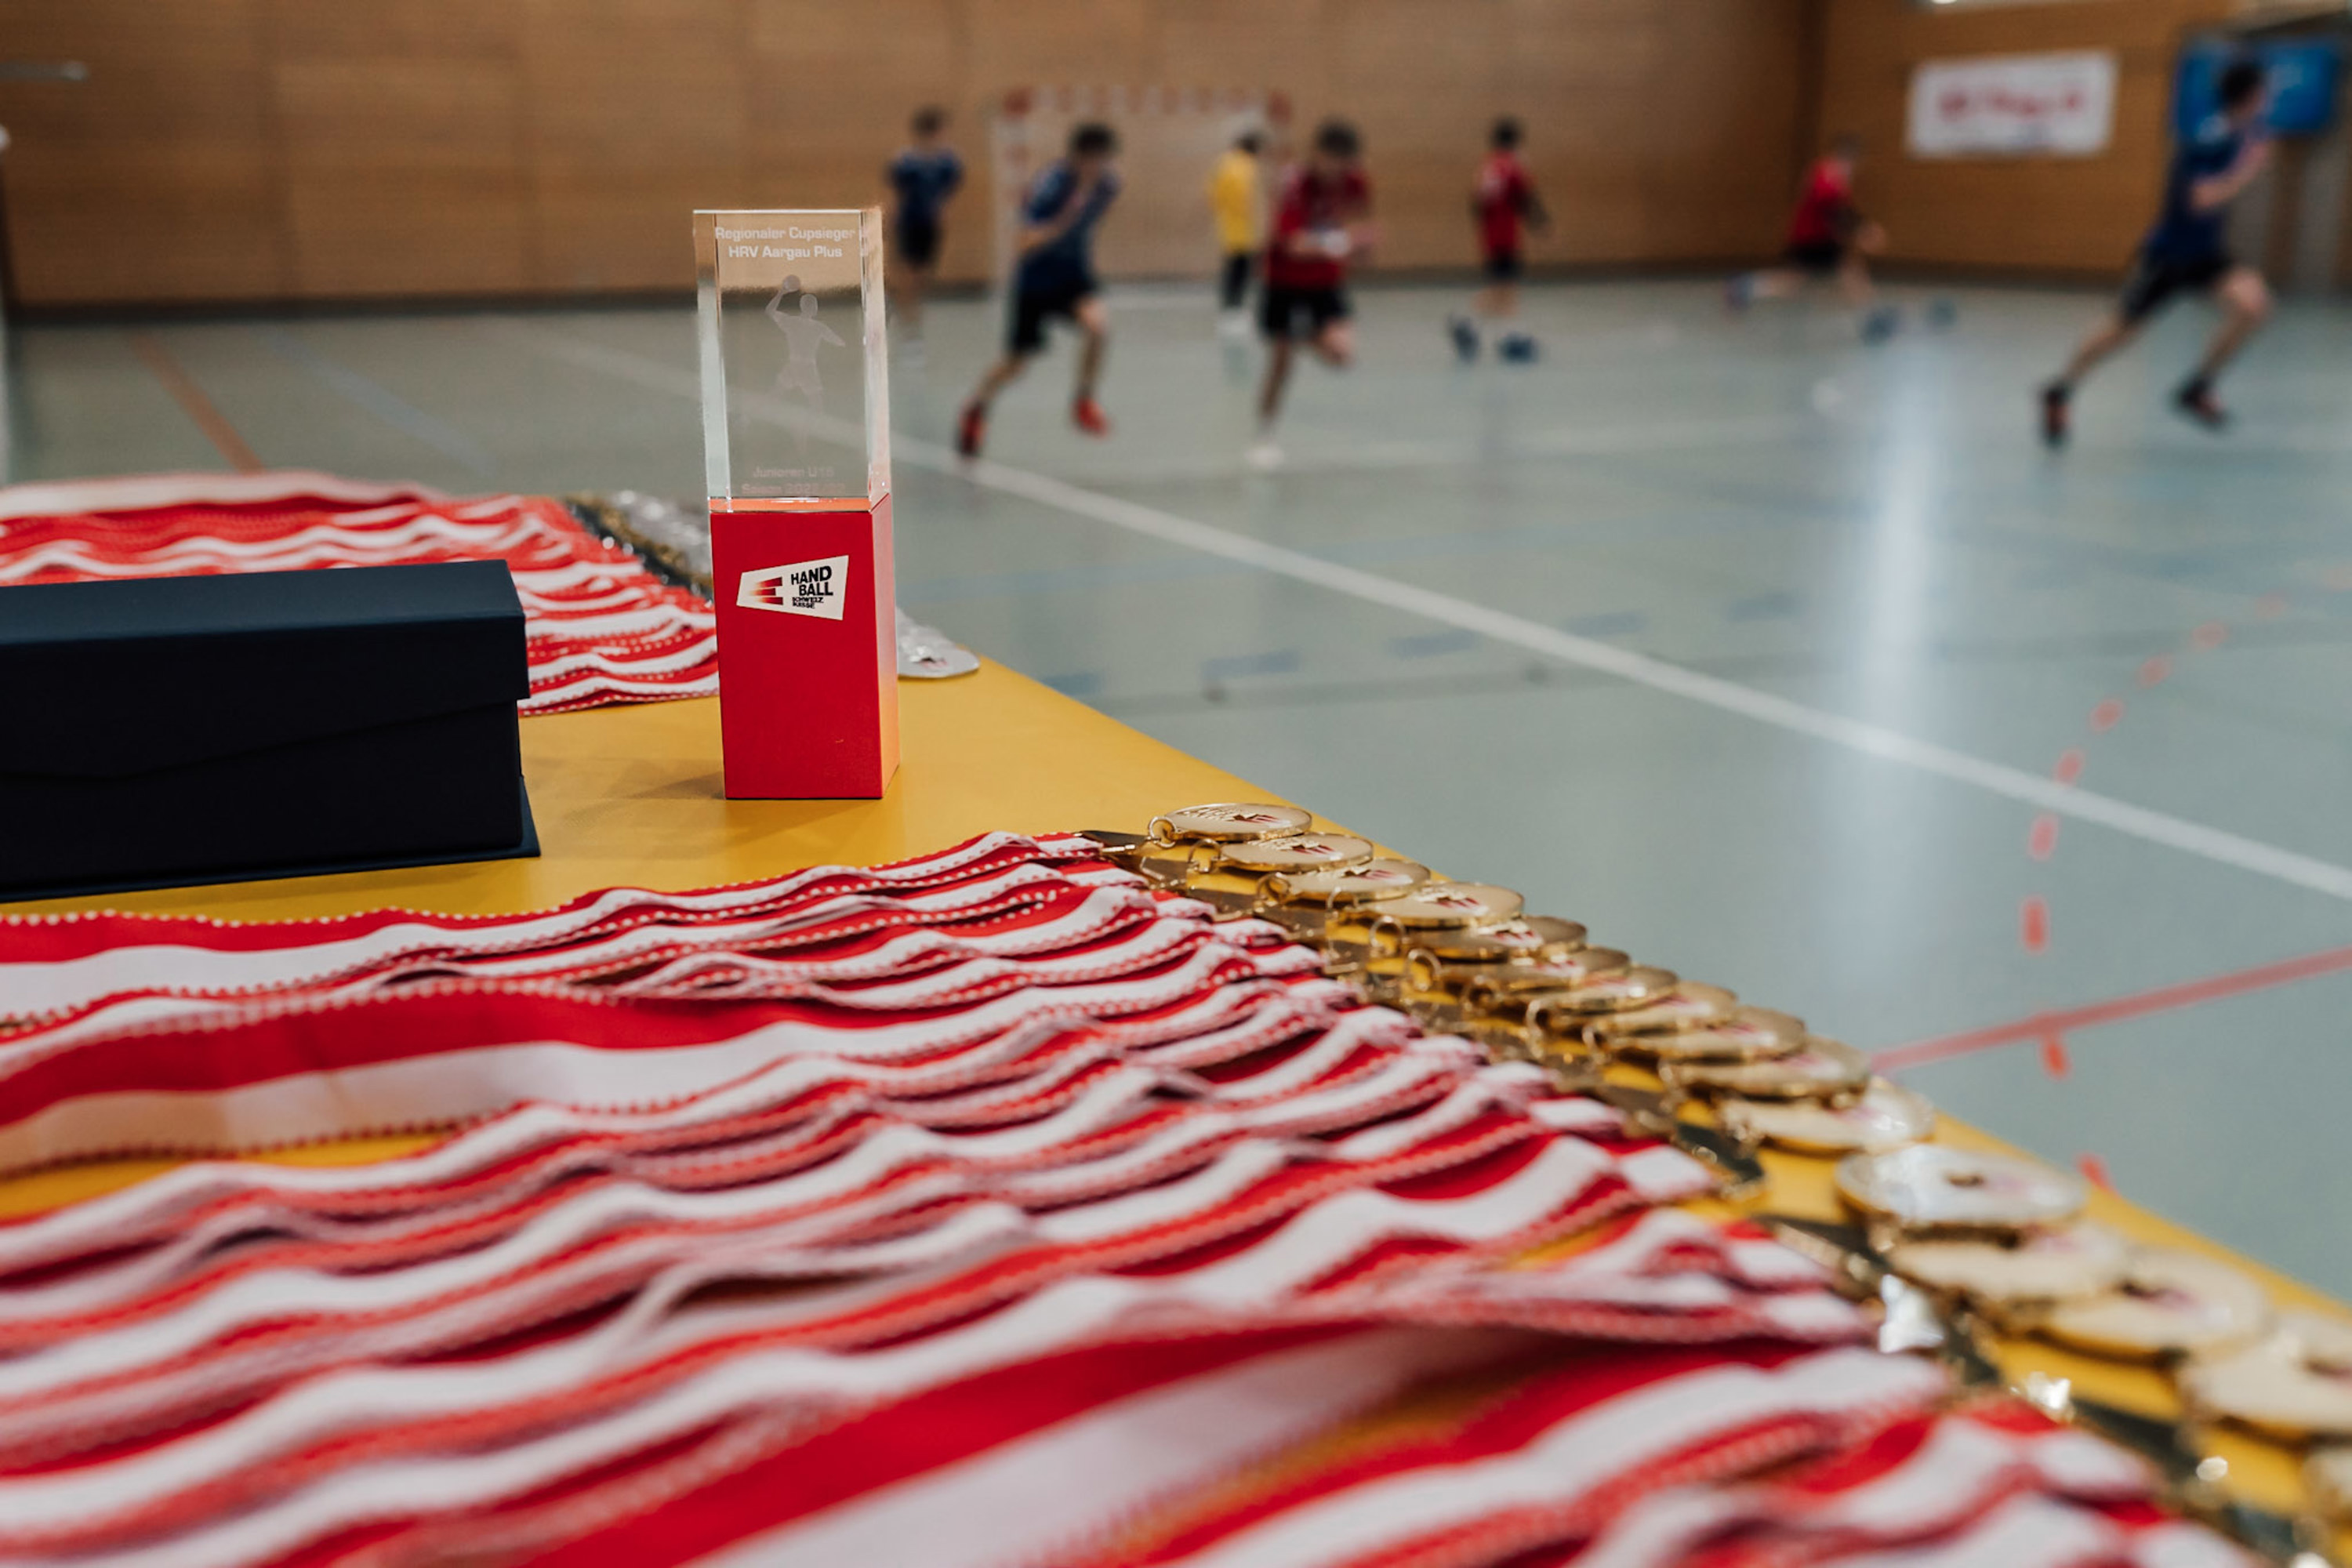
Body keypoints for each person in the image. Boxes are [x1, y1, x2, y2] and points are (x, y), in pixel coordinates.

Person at [2040, 60, 2272, 445]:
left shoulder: (2239, 132)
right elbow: (2201, 200)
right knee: (2120, 333)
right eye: (2264, 92)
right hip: (2170, 256)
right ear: (2251, 95)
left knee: (2254, 306)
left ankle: (2197, 388)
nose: (2268, 99)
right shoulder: (2211, 137)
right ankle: (2060, 390)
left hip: (2205, 254)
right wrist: (2247, 171)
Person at [956, 122, 1121, 459]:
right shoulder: (1052, 184)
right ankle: (976, 407)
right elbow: (1024, 241)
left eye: (1104, 159)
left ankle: (1083, 401)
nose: (1099, 166)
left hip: (1072, 277)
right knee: (1016, 364)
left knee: (1098, 326)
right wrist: (1063, 222)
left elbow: (1098, 213)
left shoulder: (1107, 184)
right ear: (1078, 157)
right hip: (1036, 281)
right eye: (1093, 159)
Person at [1250, 119, 1374, 470]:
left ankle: (1295, 336)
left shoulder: (1354, 180)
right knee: (1281, 363)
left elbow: (1361, 219)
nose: (1339, 171)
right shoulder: (1294, 181)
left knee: (1342, 355)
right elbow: (1293, 244)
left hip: (1324, 281)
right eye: (1333, 162)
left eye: (1346, 164)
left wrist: (1363, 246)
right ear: (1317, 154)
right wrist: (1344, 242)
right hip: (1285, 280)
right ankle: (1264, 436)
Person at [1726, 135, 1898, 343]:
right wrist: (1863, 230)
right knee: (1849, 272)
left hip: (1815, 237)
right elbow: (1833, 210)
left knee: (1797, 280)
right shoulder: (1827, 176)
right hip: (1813, 238)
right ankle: (1873, 317)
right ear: (1847, 158)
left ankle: (1747, 286)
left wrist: (1860, 228)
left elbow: (1839, 209)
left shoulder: (1830, 175)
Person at [1450, 117, 1547, 363]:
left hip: (1491, 236)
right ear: (1516, 142)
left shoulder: (1488, 166)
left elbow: (1476, 203)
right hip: (1507, 236)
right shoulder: (1513, 165)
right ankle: (1507, 337)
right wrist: (1540, 223)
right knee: (1507, 289)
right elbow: (1526, 198)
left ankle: (1470, 324)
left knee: (1501, 289)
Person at [885, 107, 964, 350]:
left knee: (923, 276)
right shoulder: (906, 162)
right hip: (909, 222)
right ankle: (910, 328)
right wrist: (891, 220)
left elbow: (948, 191)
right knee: (909, 274)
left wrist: (943, 211)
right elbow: (897, 194)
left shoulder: (948, 162)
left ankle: (905, 307)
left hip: (931, 226)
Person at [1207, 130, 1265, 337]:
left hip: (1228, 225)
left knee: (1233, 269)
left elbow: (1212, 194)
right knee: (1241, 271)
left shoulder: (1224, 163)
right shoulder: (1246, 166)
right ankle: (1235, 310)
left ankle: (1229, 308)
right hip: (1245, 228)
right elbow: (1249, 199)